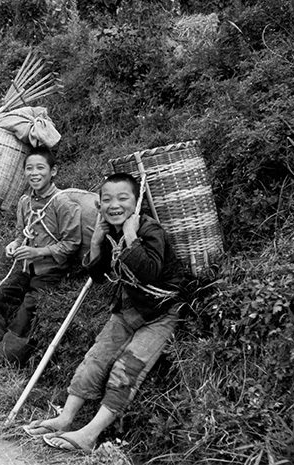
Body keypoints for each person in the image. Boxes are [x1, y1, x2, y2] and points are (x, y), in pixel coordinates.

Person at [23, 172, 184, 453]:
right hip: (128, 309)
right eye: (107, 199)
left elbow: (148, 271)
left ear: (137, 203)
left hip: (160, 314)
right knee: (95, 358)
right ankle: (66, 418)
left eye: (123, 198)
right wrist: (97, 242)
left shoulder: (150, 230)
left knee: (126, 370)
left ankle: (90, 433)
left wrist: (132, 235)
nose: (114, 205)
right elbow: (99, 276)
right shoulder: (110, 232)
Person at [0, 147, 85, 383]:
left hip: (52, 271)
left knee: (27, 309)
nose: (34, 173)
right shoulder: (24, 202)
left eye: (40, 168)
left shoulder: (63, 204)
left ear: (54, 171)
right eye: (29, 168)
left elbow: (72, 244)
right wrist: (15, 245)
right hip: (26, 269)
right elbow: (22, 234)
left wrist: (38, 251)